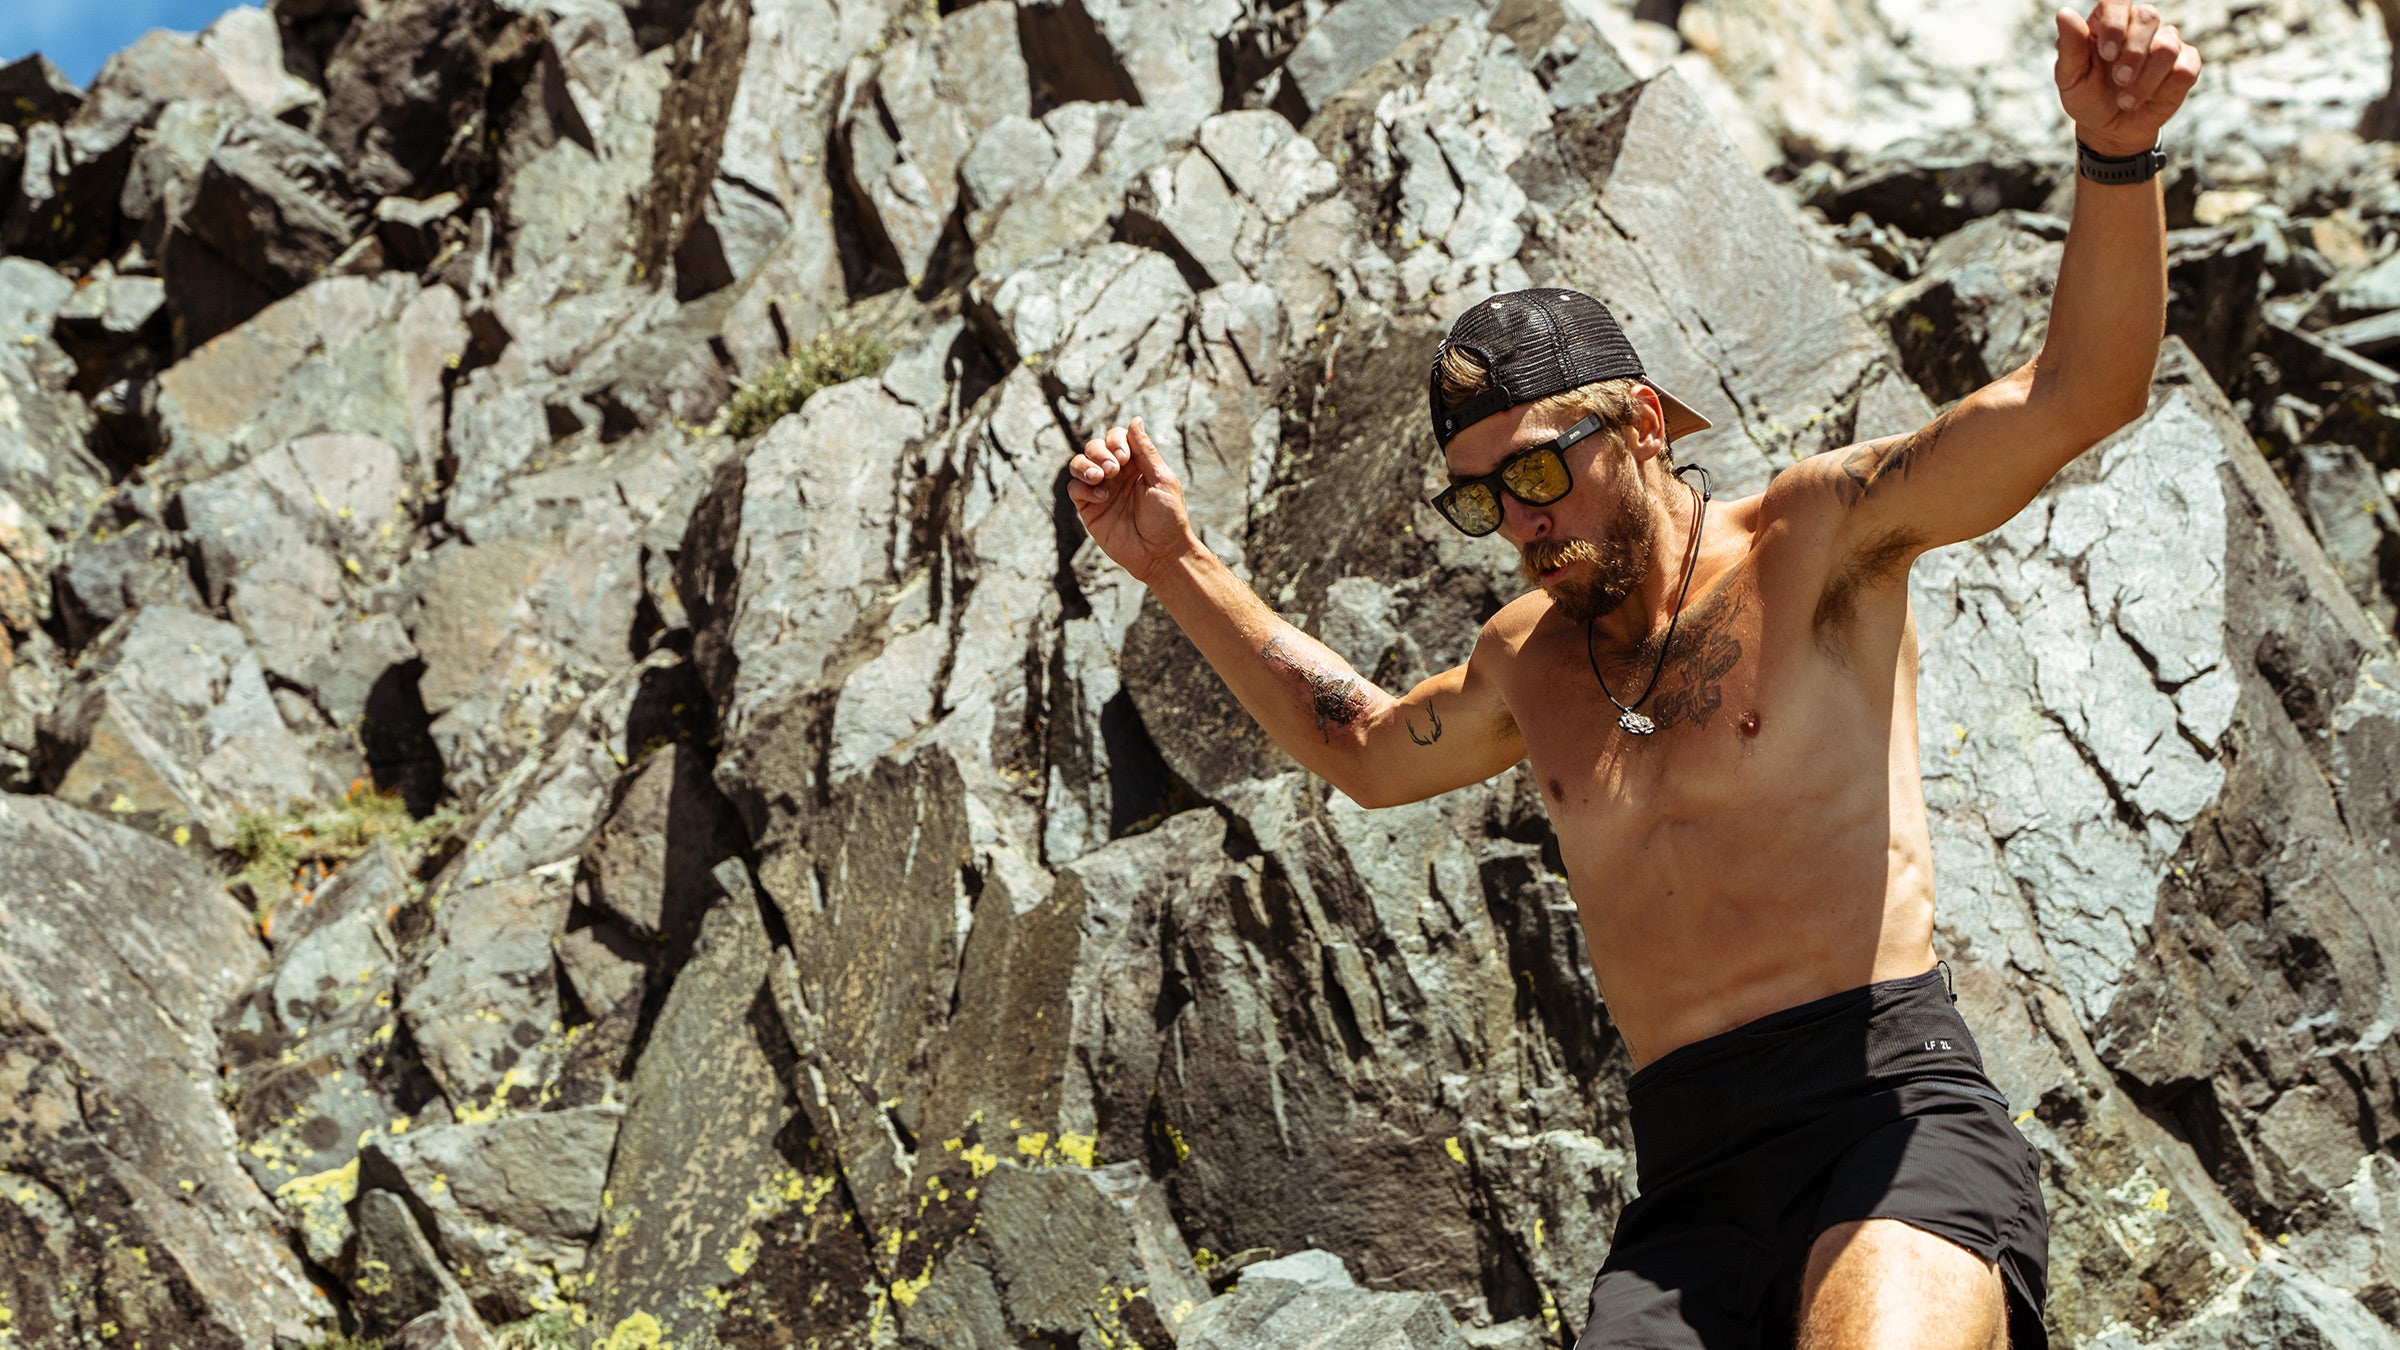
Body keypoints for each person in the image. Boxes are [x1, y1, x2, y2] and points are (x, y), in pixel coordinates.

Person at [1067, 3, 2200, 1346]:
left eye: (1541, 471)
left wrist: (2114, 158)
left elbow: (2080, 391)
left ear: (1644, 423)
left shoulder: (1817, 541)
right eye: (1484, 501)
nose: (1524, 520)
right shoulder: (1523, 661)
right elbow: (1365, 748)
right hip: (1692, 1190)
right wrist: (1176, 560)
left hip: (1888, 1122)